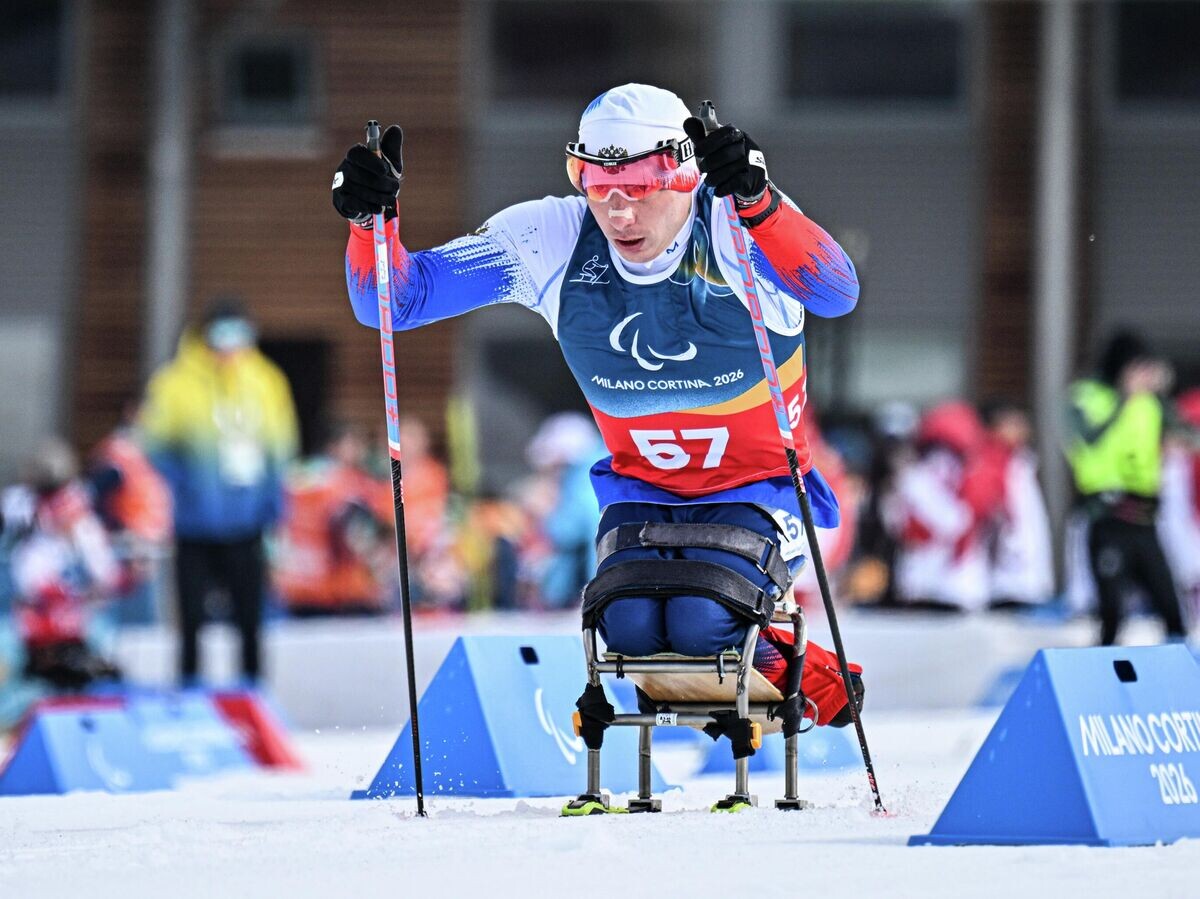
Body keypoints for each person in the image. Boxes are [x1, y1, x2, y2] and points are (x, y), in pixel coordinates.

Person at [332, 83, 862, 722]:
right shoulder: (552, 238)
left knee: (701, 622)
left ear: (684, 174)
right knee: (627, 628)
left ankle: (816, 680)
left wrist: (762, 203)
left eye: (638, 187)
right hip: (645, 490)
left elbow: (836, 292)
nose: (619, 212)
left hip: (762, 487)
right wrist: (370, 224)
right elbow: (394, 302)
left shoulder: (733, 224)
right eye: (597, 184)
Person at [142, 299, 299, 684]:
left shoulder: (266, 380)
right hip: (195, 524)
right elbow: (154, 443)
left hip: (247, 522)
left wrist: (274, 502)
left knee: (250, 618)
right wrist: (186, 481)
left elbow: (282, 447)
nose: (232, 342)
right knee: (191, 619)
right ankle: (189, 688)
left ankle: (251, 690)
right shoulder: (175, 382)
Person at [1065, 330, 1186, 645]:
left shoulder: (1151, 402)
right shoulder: (1086, 396)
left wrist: (1162, 395)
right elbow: (1087, 438)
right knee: (1111, 611)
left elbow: (1181, 434)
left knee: (1170, 606)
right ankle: (1102, 669)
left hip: (1144, 518)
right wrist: (1123, 398)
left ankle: (1179, 669)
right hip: (1106, 515)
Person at [4, 439, 124, 691]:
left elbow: (106, 574)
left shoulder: (81, 517)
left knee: (106, 646)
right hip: (28, 615)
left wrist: (87, 593)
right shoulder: (19, 503)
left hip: (75, 614)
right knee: (7, 653)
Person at [274, 421, 394, 617]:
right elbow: (357, 534)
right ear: (334, 446)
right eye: (354, 443)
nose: (361, 450)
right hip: (341, 590)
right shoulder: (348, 483)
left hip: (297, 587)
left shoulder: (292, 477)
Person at [977, 399, 1054, 609]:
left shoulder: (1021, 460)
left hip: (1027, 564)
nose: (1022, 430)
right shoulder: (993, 462)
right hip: (1008, 569)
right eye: (1013, 424)